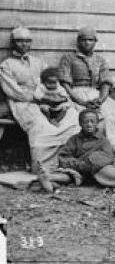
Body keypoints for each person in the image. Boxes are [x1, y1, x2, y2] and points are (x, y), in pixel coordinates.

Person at [0, 27, 80, 172]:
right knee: (40, 125)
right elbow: (13, 91)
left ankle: (68, 161)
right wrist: (41, 98)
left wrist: (59, 98)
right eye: (20, 41)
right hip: (23, 103)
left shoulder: (39, 62)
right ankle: (44, 167)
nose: (24, 44)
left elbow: (52, 81)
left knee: (72, 116)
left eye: (27, 41)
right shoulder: (6, 65)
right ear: (13, 43)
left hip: (47, 99)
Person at [53, 109, 115, 194]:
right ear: (80, 123)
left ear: (97, 123)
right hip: (79, 171)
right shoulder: (74, 140)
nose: (89, 124)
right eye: (85, 122)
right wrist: (78, 164)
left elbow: (108, 157)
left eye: (92, 121)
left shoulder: (103, 140)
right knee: (66, 176)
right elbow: (63, 157)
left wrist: (90, 162)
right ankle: (49, 179)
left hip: (98, 170)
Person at [58, 26, 115, 130]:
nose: (87, 43)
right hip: (75, 95)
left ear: (95, 41)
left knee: (112, 115)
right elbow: (65, 84)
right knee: (72, 118)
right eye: (83, 40)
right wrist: (81, 102)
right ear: (78, 41)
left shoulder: (100, 60)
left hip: (95, 94)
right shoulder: (68, 58)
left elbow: (106, 83)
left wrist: (100, 100)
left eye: (90, 40)